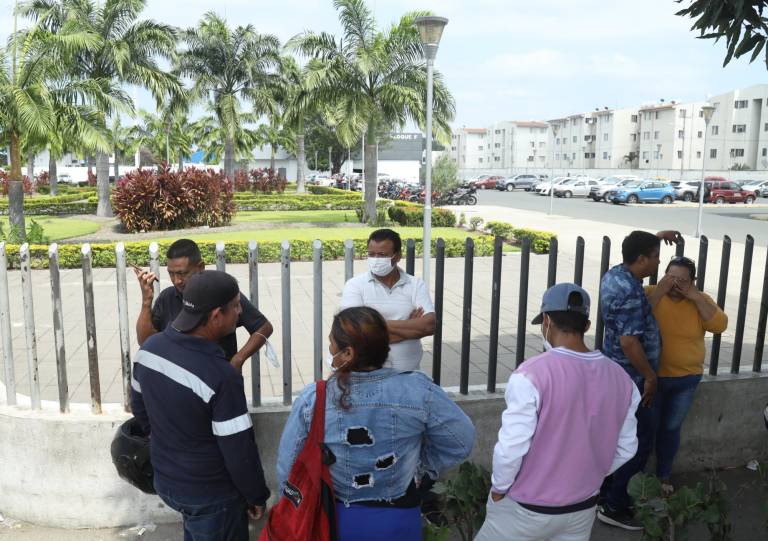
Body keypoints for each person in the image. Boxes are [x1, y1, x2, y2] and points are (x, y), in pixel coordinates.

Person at [276, 306, 475, 541]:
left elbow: (288, 467)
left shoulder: (314, 398)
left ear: (347, 353)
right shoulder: (419, 391)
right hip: (399, 520)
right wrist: (420, 467)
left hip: (334, 520)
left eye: (332, 343)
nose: (330, 348)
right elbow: (462, 440)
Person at [474, 283, 640, 541]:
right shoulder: (623, 380)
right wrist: (587, 475)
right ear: (586, 326)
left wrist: (500, 487)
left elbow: (512, 446)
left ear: (547, 322)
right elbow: (627, 447)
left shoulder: (530, 374)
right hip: (582, 508)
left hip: (525, 508)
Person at [131, 271, 270, 540]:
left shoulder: (149, 350)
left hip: (167, 481)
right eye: (236, 306)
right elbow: (239, 450)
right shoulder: (221, 376)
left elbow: (140, 410)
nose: (240, 311)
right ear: (217, 316)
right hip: (211, 495)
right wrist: (256, 495)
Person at [597, 229, 681, 530]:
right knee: (639, 441)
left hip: (615, 375)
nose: (659, 263)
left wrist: (655, 238)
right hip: (632, 379)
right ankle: (616, 503)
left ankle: (604, 493)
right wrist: (649, 377)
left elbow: (636, 252)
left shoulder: (617, 275)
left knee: (616, 437)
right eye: (656, 257)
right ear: (642, 258)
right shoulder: (631, 291)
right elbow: (630, 341)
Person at [645, 256, 727, 494]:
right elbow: (635, 318)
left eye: (682, 280)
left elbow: (719, 325)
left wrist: (694, 297)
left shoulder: (701, 300)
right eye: (671, 278)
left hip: (686, 380)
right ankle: (636, 479)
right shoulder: (650, 293)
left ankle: (663, 476)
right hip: (653, 378)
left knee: (671, 428)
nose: (675, 285)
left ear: (693, 282)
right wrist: (660, 291)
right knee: (646, 428)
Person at [134, 238, 273, 373]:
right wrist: (146, 301)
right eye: (171, 274)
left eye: (182, 273)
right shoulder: (167, 297)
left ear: (200, 267)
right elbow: (144, 341)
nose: (176, 281)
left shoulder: (221, 292)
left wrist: (238, 359)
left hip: (219, 381)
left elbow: (263, 327)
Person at [340, 229, 435, 372]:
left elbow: (429, 326)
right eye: (371, 254)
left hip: (409, 375)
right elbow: (354, 333)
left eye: (382, 255)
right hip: (368, 375)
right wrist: (411, 327)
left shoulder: (415, 285)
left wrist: (373, 327)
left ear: (397, 256)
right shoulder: (355, 285)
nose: (375, 259)